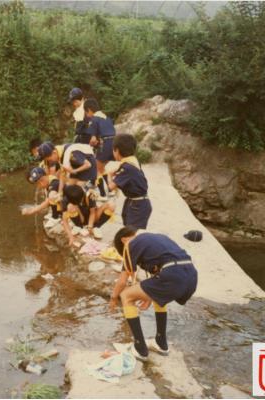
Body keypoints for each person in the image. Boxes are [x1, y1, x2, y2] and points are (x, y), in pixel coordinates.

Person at [110, 226, 198, 361]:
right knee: (159, 297)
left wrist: (113, 298)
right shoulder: (158, 238)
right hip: (191, 277)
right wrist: (150, 298)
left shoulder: (130, 244)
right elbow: (159, 278)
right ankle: (161, 343)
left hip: (173, 275)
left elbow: (122, 281)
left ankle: (140, 348)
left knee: (126, 295)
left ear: (124, 240)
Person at [107, 134, 152, 229]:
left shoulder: (127, 167)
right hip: (133, 201)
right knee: (127, 226)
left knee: (132, 232)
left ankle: (129, 243)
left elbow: (110, 187)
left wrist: (109, 175)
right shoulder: (132, 161)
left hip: (138, 206)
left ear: (117, 150)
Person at [84, 98, 116, 198]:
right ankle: (109, 190)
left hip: (105, 144)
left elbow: (93, 139)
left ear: (89, 110)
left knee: (97, 169)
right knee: (102, 168)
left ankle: (103, 193)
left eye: (86, 113)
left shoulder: (94, 119)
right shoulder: (107, 117)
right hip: (114, 143)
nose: (86, 116)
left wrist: (88, 146)